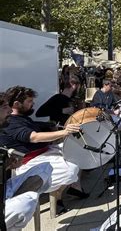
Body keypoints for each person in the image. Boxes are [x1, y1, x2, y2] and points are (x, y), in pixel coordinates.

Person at [0, 86, 83, 215]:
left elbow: (35, 125)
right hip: (31, 161)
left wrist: (53, 126)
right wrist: (64, 132)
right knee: (71, 169)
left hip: (45, 152)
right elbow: (34, 137)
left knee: (78, 151)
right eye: (29, 101)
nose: (32, 104)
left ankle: (67, 189)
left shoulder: (20, 118)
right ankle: (58, 195)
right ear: (17, 104)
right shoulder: (11, 122)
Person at [0, 92, 53, 230]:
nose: (10, 110)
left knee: (45, 168)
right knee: (26, 203)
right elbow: (33, 137)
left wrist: (7, 164)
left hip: (5, 188)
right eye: (5, 107)